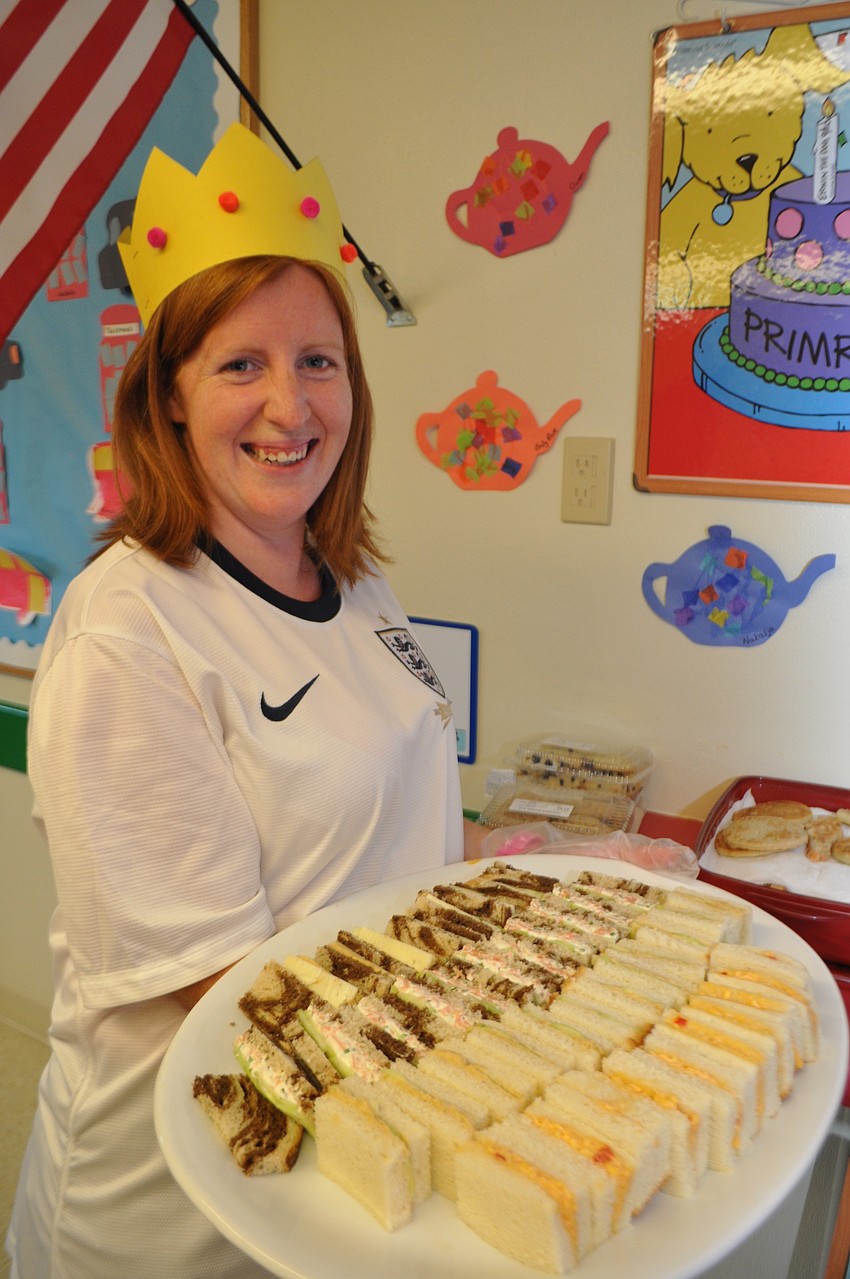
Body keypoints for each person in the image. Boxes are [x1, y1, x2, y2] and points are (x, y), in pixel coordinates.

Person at [7, 123, 481, 1279]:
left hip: (346, 1146)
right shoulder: (129, 627)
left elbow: (392, 818)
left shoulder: (356, 580)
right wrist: (482, 1044)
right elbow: (219, 982)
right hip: (182, 1199)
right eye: (240, 365)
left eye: (318, 361)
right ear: (167, 397)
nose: (290, 403)